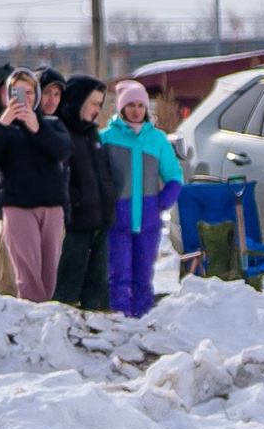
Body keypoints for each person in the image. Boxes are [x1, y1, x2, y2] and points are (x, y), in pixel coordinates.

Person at [0, 68, 73, 304]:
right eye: (17, 92)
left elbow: (63, 151)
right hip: (17, 206)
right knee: (28, 277)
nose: (24, 98)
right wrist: (2, 124)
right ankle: (36, 321)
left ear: (36, 95)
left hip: (51, 206)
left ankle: (44, 320)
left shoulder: (52, 124)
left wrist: (38, 127)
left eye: (29, 92)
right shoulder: (3, 127)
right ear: (8, 95)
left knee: (49, 276)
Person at [103, 80, 180, 318]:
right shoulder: (106, 138)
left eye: (140, 105)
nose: (136, 110)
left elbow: (174, 176)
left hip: (148, 221)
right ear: (121, 108)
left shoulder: (157, 140)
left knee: (143, 275)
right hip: (117, 219)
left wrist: (162, 201)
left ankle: (142, 320)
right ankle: (119, 320)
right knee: (118, 275)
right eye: (130, 105)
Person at [53, 75, 114, 310]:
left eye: (100, 104)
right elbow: (58, 178)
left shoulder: (91, 133)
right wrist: (76, 201)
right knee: (67, 288)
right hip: (76, 224)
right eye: (94, 103)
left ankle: (97, 333)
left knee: (97, 288)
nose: (98, 110)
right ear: (78, 101)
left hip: (99, 221)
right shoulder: (61, 131)